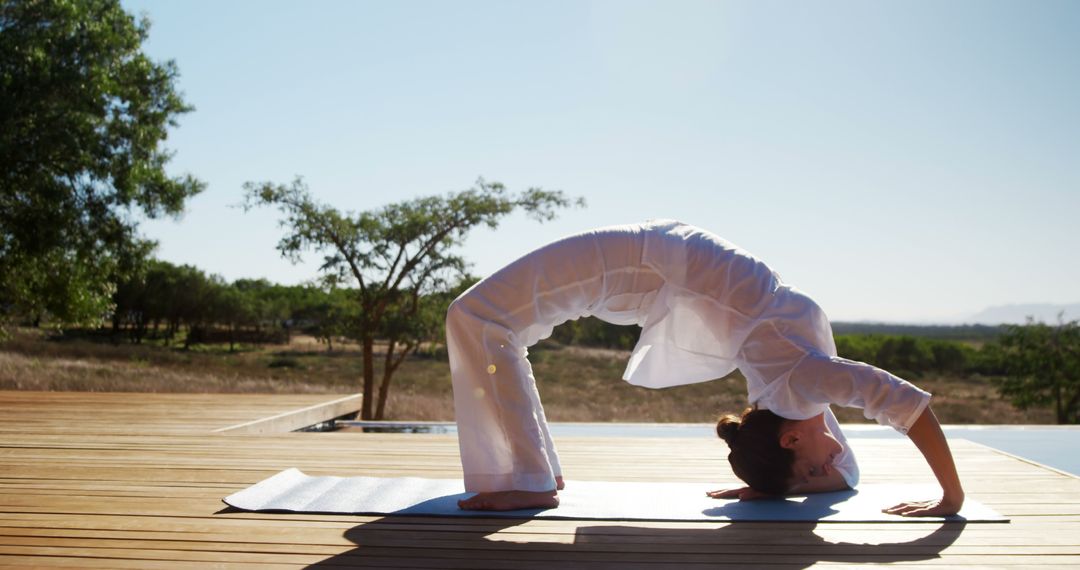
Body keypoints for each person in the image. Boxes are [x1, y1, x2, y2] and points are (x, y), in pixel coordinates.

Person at [445, 220, 964, 516]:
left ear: (788, 441)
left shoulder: (793, 393)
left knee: (478, 317)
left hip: (641, 262)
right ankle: (533, 474)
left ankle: (533, 477)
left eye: (812, 468)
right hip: (649, 259)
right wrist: (950, 496)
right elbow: (906, 407)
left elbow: (845, 473)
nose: (829, 464)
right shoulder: (801, 389)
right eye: (815, 470)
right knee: (481, 319)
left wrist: (772, 481)